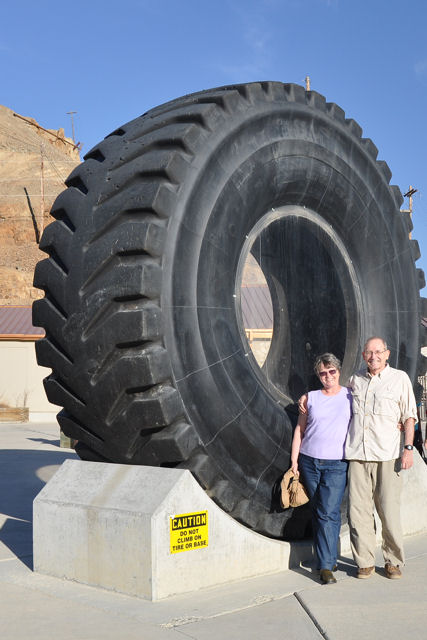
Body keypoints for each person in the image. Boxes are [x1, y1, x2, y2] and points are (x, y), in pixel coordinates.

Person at [345, 336, 417, 580]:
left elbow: (409, 416)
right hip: (357, 454)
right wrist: (306, 399)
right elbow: (334, 399)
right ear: (364, 355)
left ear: (387, 354)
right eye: (369, 352)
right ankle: (364, 561)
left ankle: (393, 561)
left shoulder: (400, 379)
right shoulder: (354, 380)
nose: (373, 356)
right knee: (358, 512)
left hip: (387, 455)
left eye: (378, 351)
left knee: (388, 511)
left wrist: (408, 448)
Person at [291, 353, 352, 585]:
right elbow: (300, 430)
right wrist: (295, 460)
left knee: (326, 511)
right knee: (323, 511)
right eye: (323, 373)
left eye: (332, 371)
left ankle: (325, 567)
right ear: (318, 375)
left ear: (338, 371)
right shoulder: (310, 398)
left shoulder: (350, 396)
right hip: (310, 462)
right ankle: (330, 556)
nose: (327, 376)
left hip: (337, 464)